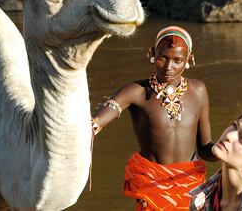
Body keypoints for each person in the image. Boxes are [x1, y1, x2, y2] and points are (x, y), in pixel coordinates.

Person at [92, 26, 218, 210]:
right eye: (162, 58)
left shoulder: (198, 91)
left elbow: (205, 149)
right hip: (152, 186)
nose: (169, 67)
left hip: (191, 185)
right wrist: (89, 130)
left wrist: (225, 151)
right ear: (151, 54)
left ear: (189, 59)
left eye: (178, 60)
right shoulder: (135, 91)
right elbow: (95, 123)